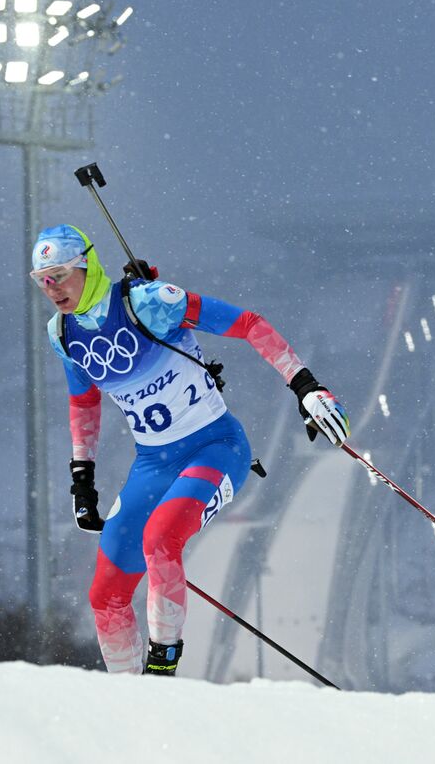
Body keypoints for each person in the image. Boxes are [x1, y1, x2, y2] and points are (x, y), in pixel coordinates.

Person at [31, 224, 350, 676]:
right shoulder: (62, 333)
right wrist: (82, 476)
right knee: (105, 596)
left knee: (161, 540)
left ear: (87, 264)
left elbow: (248, 324)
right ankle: (129, 701)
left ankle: (163, 676)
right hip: (152, 464)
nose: (52, 289)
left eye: (60, 274)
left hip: (215, 449)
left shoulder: (149, 303)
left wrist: (305, 386)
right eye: (41, 280)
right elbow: (83, 401)